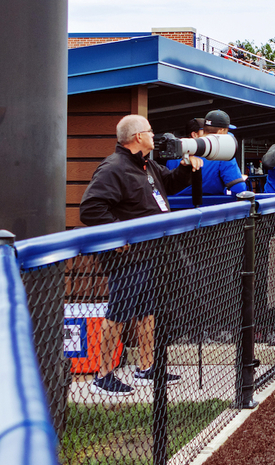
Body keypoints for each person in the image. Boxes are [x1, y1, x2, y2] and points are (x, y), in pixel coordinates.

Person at [78, 115, 201, 396]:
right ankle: (103, 375)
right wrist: (118, 233)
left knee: (147, 311)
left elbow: (167, 186)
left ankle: (148, 367)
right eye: (150, 131)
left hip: (153, 251)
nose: (154, 135)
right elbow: (91, 208)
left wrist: (185, 168)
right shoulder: (113, 168)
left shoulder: (145, 164)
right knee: (119, 312)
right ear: (137, 137)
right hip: (128, 257)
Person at [164, 111, 249, 205]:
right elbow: (239, 190)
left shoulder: (182, 147)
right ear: (221, 131)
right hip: (208, 210)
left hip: (174, 209)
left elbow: (169, 184)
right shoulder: (223, 151)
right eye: (227, 131)